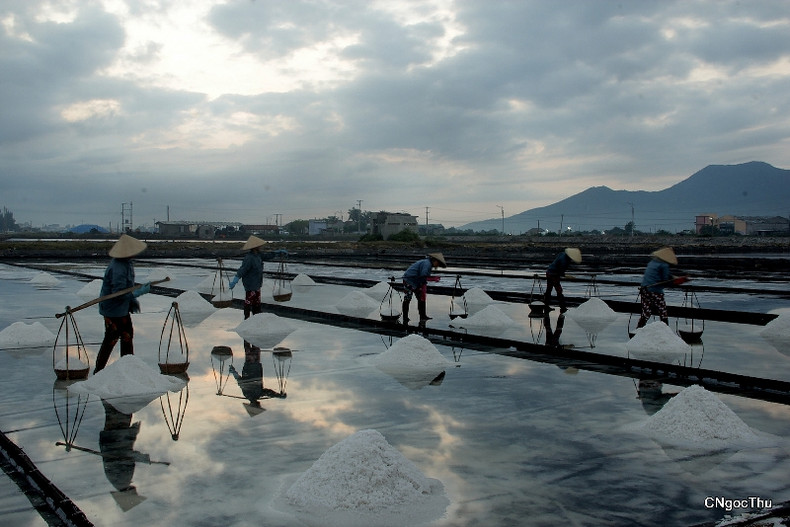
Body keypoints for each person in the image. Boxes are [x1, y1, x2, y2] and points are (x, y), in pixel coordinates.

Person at [95, 234, 151, 374]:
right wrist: (138, 293)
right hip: (113, 310)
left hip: (121, 309)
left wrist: (132, 301)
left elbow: (127, 288)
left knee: (127, 336)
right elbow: (119, 293)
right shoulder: (118, 267)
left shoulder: (127, 263)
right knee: (111, 338)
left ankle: (128, 369)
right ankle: (99, 372)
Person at [229, 236, 287, 318]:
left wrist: (277, 253)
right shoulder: (249, 258)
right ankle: (247, 318)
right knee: (249, 302)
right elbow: (243, 269)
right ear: (255, 247)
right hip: (250, 284)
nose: (261, 247)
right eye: (259, 246)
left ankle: (256, 317)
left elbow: (267, 256)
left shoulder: (258, 255)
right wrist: (235, 279)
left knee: (257, 302)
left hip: (257, 283)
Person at [636, 246, 677, 328]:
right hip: (655, 290)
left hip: (644, 289)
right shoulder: (664, 265)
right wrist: (673, 280)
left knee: (646, 311)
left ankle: (639, 329)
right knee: (663, 311)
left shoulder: (651, 263)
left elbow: (653, 276)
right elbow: (665, 279)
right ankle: (666, 330)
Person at [401, 253, 446, 324]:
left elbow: (423, 277)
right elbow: (423, 276)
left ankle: (423, 316)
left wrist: (422, 285)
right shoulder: (427, 264)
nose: (438, 265)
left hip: (416, 281)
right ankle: (405, 317)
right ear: (435, 261)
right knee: (407, 298)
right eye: (438, 263)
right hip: (409, 280)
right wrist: (431, 280)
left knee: (421, 298)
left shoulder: (428, 264)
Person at [544, 248, 581, 313]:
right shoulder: (564, 260)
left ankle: (546, 306)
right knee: (559, 290)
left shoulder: (562, 254)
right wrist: (567, 276)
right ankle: (563, 307)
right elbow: (561, 271)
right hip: (553, 274)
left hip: (549, 272)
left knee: (549, 289)